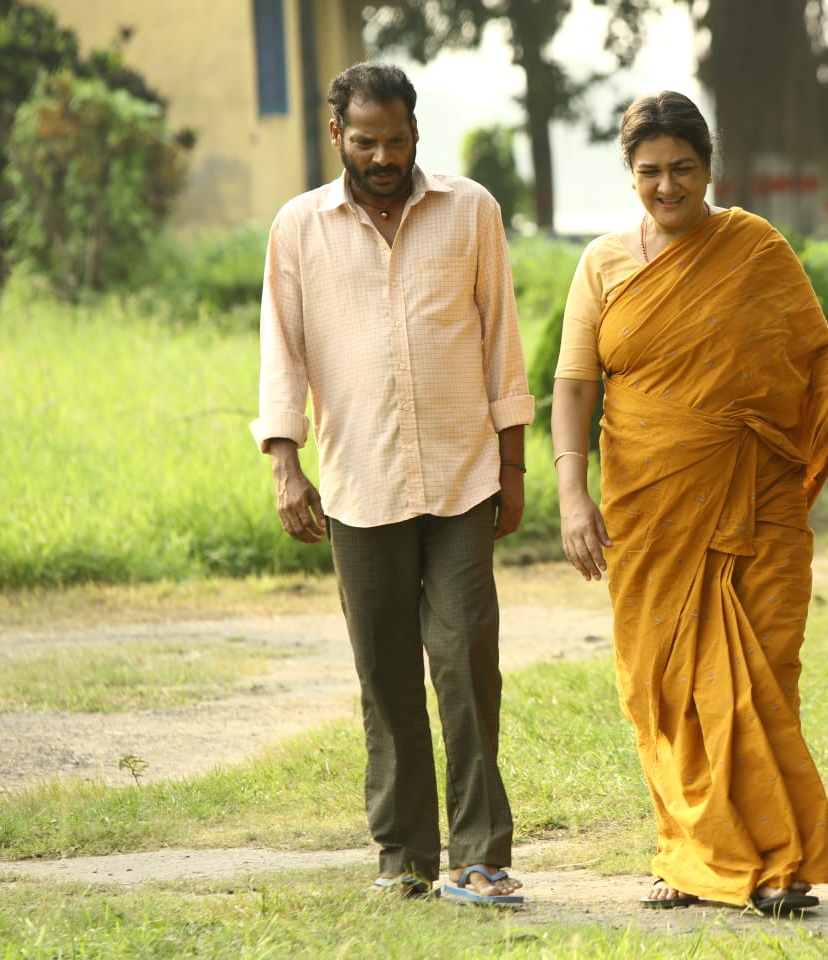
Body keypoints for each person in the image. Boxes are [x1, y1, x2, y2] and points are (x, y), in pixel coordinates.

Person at [550, 91, 828, 915]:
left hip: (757, 498)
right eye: (649, 172)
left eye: (683, 168)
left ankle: (779, 865)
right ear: (630, 174)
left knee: (761, 675)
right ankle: (693, 856)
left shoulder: (754, 248)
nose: (667, 186)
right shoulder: (602, 264)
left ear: (709, 167)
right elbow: (575, 386)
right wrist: (570, 495)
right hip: (649, 505)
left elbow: (815, 352)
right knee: (666, 683)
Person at [249, 62, 531, 905]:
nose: (383, 157)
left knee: (466, 659)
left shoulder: (470, 211)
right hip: (359, 481)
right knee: (385, 674)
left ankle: (481, 855)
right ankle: (404, 858)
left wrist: (513, 466)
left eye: (397, 140)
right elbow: (281, 352)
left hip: (463, 476)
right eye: (366, 141)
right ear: (337, 134)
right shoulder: (300, 227)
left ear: (415, 133)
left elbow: (502, 344)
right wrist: (285, 464)